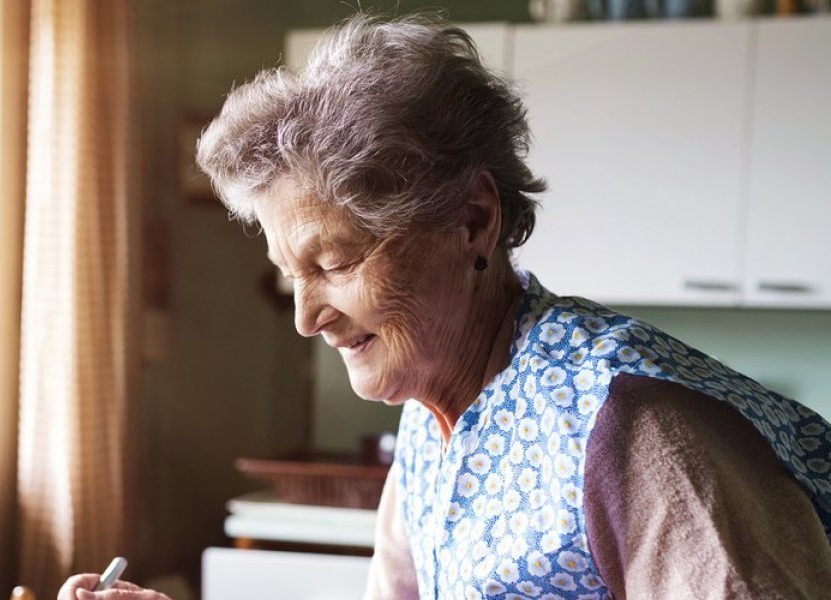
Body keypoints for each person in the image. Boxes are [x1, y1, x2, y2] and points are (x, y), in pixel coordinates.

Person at [61, 13, 831, 599]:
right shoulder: (434, 417)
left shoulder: (636, 427)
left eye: (334, 262)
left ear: (473, 221)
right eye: (292, 275)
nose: (307, 317)